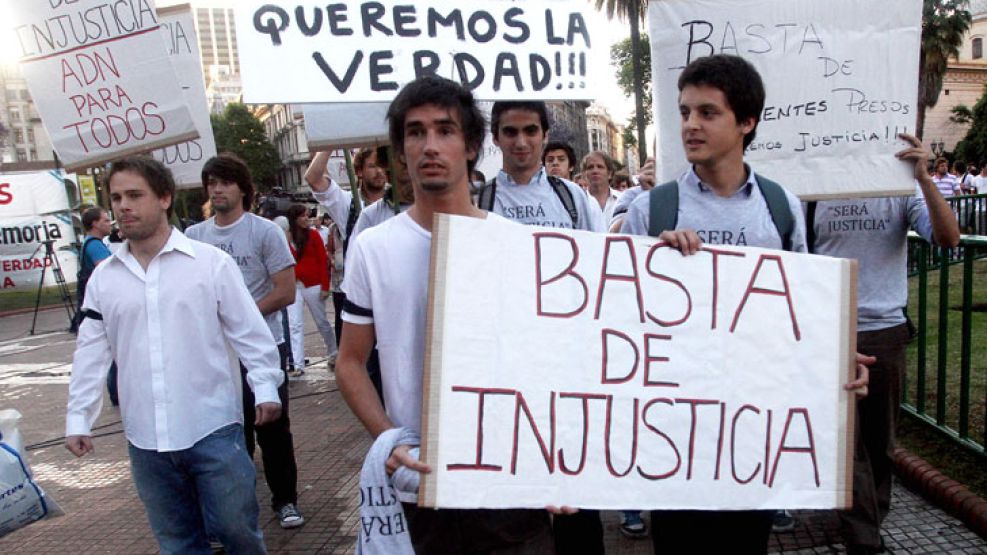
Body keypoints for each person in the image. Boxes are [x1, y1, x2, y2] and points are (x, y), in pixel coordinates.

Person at [620, 54, 870, 554]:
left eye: (707, 113)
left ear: (747, 122)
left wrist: (837, 359)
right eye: (685, 111)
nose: (690, 125)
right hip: (676, 430)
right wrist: (657, 267)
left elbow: (803, 309)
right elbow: (619, 314)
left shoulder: (780, 208)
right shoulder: (651, 209)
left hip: (752, 429)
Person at [336, 75, 556, 554]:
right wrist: (387, 440)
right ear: (400, 150)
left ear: (473, 146)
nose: (429, 145)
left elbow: (547, 358)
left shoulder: (516, 243)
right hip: (420, 486)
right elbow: (350, 362)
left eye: (445, 130)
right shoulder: (372, 248)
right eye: (415, 132)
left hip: (507, 484)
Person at [65, 156, 282, 554]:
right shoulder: (105, 278)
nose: (123, 206)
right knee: (178, 544)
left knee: (238, 534)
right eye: (116, 197)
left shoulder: (210, 264)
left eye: (135, 195)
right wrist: (79, 416)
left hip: (212, 427)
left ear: (165, 198)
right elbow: (91, 351)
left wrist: (266, 385)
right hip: (146, 438)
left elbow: (250, 332)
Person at [807, 134, 960, 555]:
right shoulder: (813, 189)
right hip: (831, 330)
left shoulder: (900, 187)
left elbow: (948, 239)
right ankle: (864, 537)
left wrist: (926, 178)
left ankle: (869, 519)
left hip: (885, 331)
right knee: (845, 440)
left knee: (880, 442)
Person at [185, 154, 305, 529]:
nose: (216, 189)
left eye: (224, 182)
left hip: (262, 348)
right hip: (215, 354)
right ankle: (231, 513)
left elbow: (285, 291)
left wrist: (242, 318)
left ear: (242, 188)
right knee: (226, 435)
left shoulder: (264, 232)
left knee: (272, 429)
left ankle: (285, 500)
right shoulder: (194, 237)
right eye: (211, 183)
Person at [480, 100, 604, 232]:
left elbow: (592, 251)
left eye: (530, 131)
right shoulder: (479, 200)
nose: (521, 143)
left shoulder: (573, 195)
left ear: (545, 135)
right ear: (495, 138)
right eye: (511, 132)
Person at [285, 204, 335, 375]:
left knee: (322, 322)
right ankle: (298, 364)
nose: (307, 219)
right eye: (303, 216)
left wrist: (325, 285)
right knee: (295, 325)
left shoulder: (313, 235)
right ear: (295, 219)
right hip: (294, 285)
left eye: (308, 215)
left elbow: (323, 261)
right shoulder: (286, 237)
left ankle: (333, 352)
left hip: (313, 284)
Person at [71, 207, 112, 333]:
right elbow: (108, 272)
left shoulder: (90, 242)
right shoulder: (95, 245)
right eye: (105, 221)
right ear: (95, 224)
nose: (109, 223)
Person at [582, 150, 621, 223]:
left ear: (609, 173)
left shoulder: (622, 200)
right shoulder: (579, 201)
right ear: (584, 174)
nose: (595, 171)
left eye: (600, 167)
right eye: (590, 167)